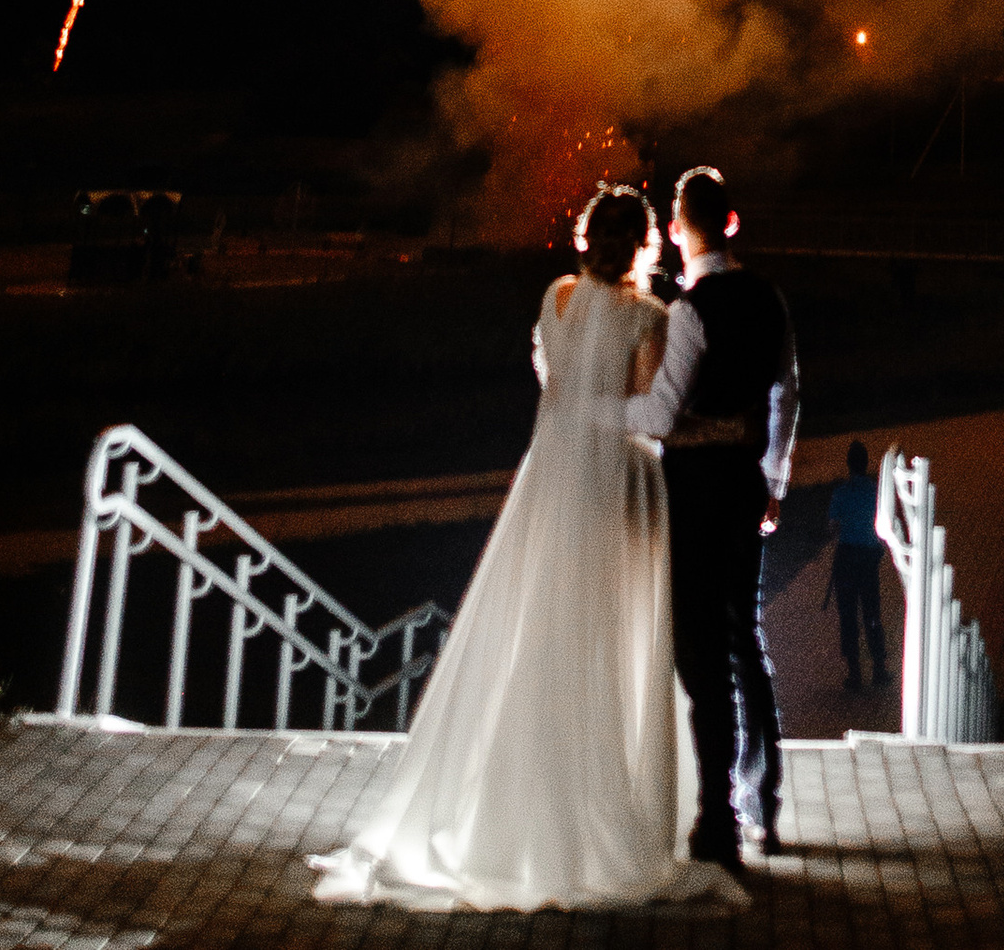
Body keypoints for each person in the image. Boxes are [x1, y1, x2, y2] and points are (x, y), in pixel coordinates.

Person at [312, 181, 742, 914]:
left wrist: (579, 406)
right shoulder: (651, 318)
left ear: (585, 239)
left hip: (552, 487)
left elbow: (556, 384)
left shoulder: (557, 299)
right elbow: (645, 417)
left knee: (540, 641)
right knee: (610, 649)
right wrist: (720, 433)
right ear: (647, 243)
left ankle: (517, 812)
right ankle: (595, 817)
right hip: (617, 495)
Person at [604, 167, 798, 876]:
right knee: (745, 635)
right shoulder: (770, 298)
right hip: (745, 484)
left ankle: (716, 817)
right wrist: (772, 480)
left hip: (694, 492)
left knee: (700, 651)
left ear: (682, 228)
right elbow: (786, 396)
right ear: (734, 222)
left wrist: (594, 415)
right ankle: (763, 799)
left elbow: (658, 415)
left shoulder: (691, 310)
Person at [825, 440, 888, 691]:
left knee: (848, 615)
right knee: (872, 612)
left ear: (848, 464)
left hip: (847, 558)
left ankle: (854, 673)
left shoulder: (841, 492)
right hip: (869, 558)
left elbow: (832, 527)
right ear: (866, 463)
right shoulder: (876, 491)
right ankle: (879, 669)